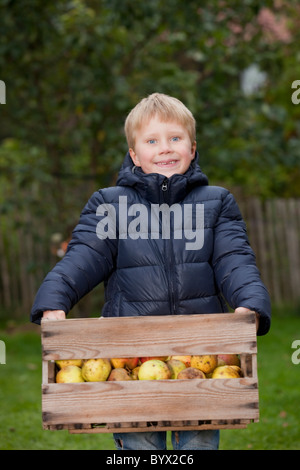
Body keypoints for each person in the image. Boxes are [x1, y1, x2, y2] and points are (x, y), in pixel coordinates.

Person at [31, 92, 271, 450]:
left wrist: (249, 303)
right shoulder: (110, 204)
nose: (165, 148)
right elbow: (83, 257)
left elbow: (234, 259)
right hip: (129, 354)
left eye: (175, 138)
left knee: (199, 442)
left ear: (192, 148)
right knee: (141, 442)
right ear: (134, 154)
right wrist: (53, 301)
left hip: (200, 354)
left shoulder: (216, 203)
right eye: (152, 140)